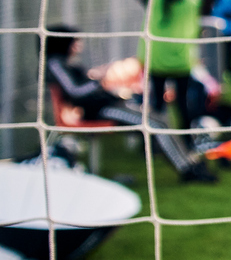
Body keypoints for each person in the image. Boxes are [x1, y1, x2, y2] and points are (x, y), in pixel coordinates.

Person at [44, 26, 212, 181]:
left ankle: (189, 163)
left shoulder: (63, 62)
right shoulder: (55, 63)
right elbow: (75, 92)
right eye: (75, 42)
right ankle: (187, 170)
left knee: (159, 119)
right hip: (100, 110)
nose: (78, 46)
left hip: (108, 104)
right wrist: (98, 80)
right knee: (154, 124)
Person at [131, 0, 215, 181]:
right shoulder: (192, 2)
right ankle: (186, 143)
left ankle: (153, 145)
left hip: (155, 60)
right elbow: (211, 4)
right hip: (181, 62)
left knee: (156, 106)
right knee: (182, 106)